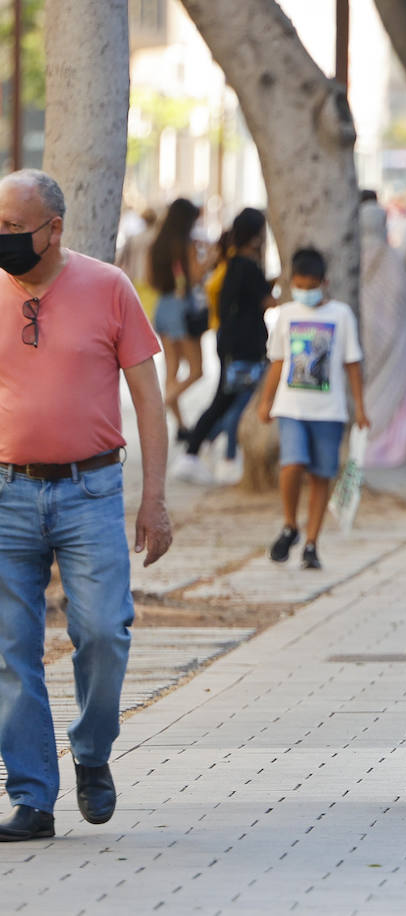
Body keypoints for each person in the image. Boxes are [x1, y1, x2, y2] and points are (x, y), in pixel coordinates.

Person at [0, 169, 173, 841]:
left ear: (54, 229)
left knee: (103, 632)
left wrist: (153, 500)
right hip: (7, 492)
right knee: (10, 650)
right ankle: (33, 796)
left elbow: (150, 402)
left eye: (15, 227)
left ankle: (92, 752)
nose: (4, 237)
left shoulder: (109, 288)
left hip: (91, 491)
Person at [257, 248, 368, 570]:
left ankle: (311, 542)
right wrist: (266, 401)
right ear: (292, 283)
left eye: (312, 285)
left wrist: (360, 407)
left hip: (329, 411)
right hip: (291, 407)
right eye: (300, 285)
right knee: (292, 464)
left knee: (321, 475)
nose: (306, 291)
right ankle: (290, 524)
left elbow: (352, 363)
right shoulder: (286, 314)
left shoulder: (341, 315)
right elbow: (278, 361)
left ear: (325, 283)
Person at [172, 208, 274, 484]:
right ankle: (209, 455)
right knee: (232, 401)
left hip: (230, 341)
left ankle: (200, 452)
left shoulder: (232, 264)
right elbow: (267, 301)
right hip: (243, 345)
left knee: (228, 400)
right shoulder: (246, 266)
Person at [359, 199, 406, 467]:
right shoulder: (393, 260)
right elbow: (403, 295)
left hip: (365, 341)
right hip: (393, 341)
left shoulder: (352, 259)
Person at [149, 198, 213, 438]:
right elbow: (195, 277)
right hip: (181, 309)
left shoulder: (157, 244)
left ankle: (181, 426)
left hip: (162, 306)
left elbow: (149, 277)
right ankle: (163, 403)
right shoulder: (185, 244)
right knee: (197, 370)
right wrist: (211, 257)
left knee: (172, 369)